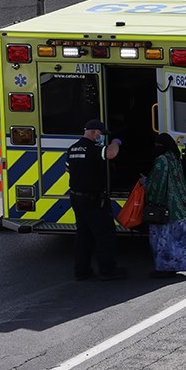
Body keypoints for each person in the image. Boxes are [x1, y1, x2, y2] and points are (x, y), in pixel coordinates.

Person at [67, 119, 125, 281]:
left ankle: (82, 271)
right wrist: (116, 142)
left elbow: (67, 168)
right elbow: (111, 153)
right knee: (104, 234)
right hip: (93, 199)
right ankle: (108, 270)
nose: (101, 138)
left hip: (77, 197)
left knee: (83, 235)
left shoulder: (72, 149)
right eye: (101, 134)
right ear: (94, 132)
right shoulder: (92, 148)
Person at [144, 133, 186, 278]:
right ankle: (179, 265)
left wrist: (146, 185)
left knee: (163, 239)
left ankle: (164, 269)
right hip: (182, 206)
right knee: (179, 239)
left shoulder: (161, 161)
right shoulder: (174, 158)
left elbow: (157, 184)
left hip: (168, 208)